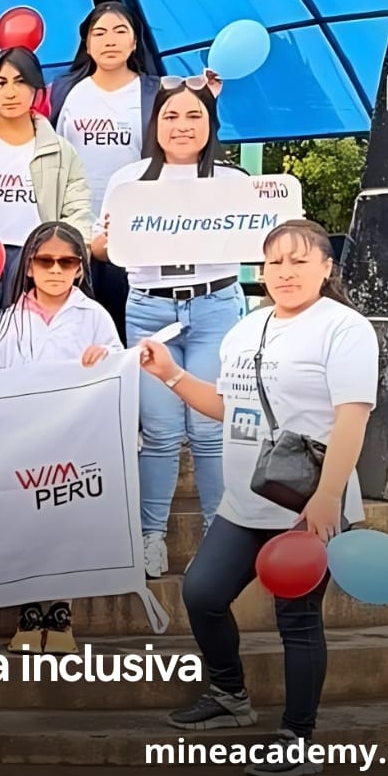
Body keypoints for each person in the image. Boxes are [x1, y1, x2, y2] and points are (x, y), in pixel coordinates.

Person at [139, 219, 376, 776]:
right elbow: (228, 407)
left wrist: (326, 498)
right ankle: (229, 695)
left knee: (297, 619)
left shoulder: (345, 329)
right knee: (202, 593)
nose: (286, 273)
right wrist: (171, 375)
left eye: (299, 261)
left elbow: (353, 419)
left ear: (326, 267)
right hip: (245, 500)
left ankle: (298, 737)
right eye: (274, 263)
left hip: (305, 504)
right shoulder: (247, 329)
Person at [101, 77, 249, 579]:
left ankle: (218, 538)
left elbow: (261, 238)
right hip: (149, 310)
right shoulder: (129, 180)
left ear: (211, 125)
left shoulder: (232, 182)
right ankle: (150, 539)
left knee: (210, 429)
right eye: (170, 116)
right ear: (155, 124)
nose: (182, 126)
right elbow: (105, 248)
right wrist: (101, 242)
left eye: (194, 117)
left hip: (216, 308)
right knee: (160, 432)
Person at [0, 221, 120, 654]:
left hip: (75, 440)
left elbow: (121, 368)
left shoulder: (94, 317)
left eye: (67, 262)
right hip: (25, 439)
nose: (56, 270)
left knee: (65, 524)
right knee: (26, 524)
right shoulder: (10, 320)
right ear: (28, 267)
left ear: (81, 269)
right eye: (46, 261)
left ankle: (60, 611)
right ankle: (28, 609)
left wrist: (104, 360)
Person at [49, 2, 159, 339]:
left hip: (132, 232)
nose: (109, 40)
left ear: (134, 42)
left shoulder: (154, 92)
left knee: (128, 331)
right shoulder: (64, 91)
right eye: (99, 33)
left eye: (119, 31)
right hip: (74, 230)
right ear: (86, 43)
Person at [0, 47, 91, 320]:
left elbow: (77, 210)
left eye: (20, 82)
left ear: (36, 89)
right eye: (0, 83)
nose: (10, 92)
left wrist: (66, 258)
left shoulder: (61, 151)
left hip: (36, 260)